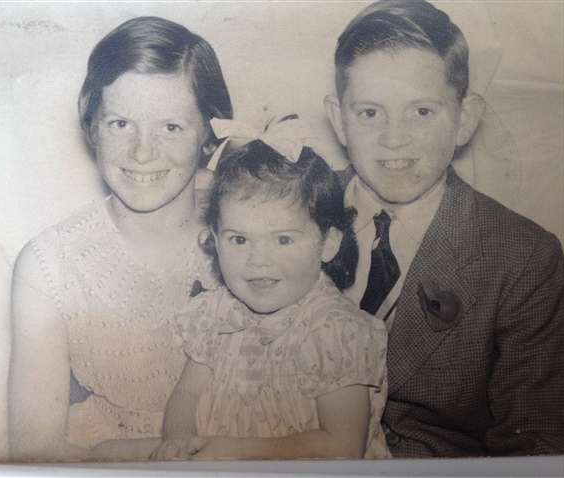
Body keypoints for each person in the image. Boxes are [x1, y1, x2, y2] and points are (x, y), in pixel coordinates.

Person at [323, 0, 564, 457]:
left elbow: (539, 443)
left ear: (465, 119)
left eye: (421, 111)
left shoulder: (523, 258)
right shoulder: (288, 207)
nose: (394, 138)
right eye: (370, 112)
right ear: (339, 119)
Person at [8, 16, 232, 461]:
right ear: (91, 124)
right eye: (121, 124)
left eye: (171, 127)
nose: (142, 152)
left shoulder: (257, 231)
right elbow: (36, 452)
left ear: (210, 132)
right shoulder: (49, 265)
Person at [150, 121, 390, 460]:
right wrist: (178, 440)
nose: (258, 260)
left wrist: (233, 452)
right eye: (239, 239)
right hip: (212, 458)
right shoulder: (216, 312)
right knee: (106, 452)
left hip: (302, 466)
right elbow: (186, 395)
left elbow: (343, 446)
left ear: (328, 243)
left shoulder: (335, 329)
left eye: (283, 240)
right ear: (216, 240)